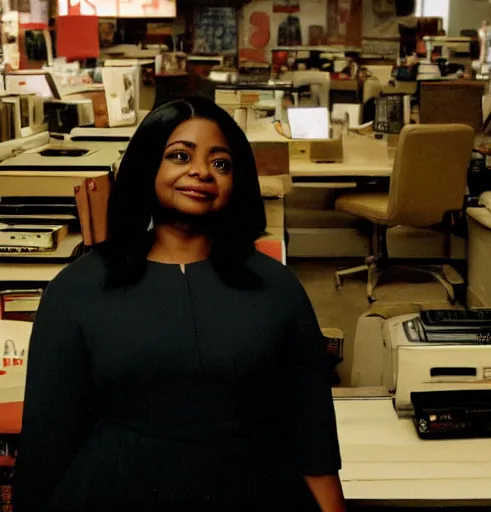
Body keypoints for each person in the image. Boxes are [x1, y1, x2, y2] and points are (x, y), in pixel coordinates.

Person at [13, 97, 345, 512]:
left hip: (255, 486)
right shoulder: (76, 290)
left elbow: (311, 432)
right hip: (114, 489)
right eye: (179, 155)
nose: (202, 171)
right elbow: (46, 442)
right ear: (147, 165)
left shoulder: (277, 287)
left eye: (221, 163)